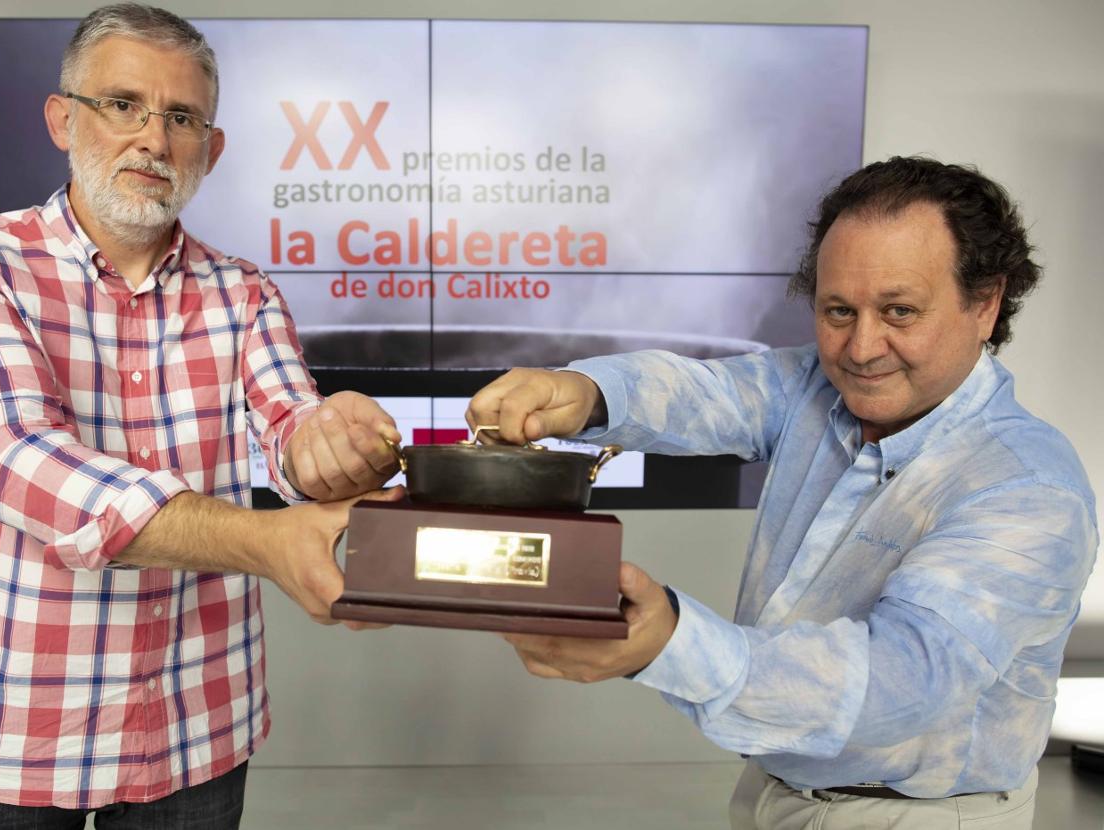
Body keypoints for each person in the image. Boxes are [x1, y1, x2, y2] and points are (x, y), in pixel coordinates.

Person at [469, 156, 1098, 829]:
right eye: (837, 310)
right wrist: (582, 392)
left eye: (899, 311)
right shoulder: (817, 389)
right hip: (776, 789)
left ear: (986, 303)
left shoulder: (1027, 489)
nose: (861, 347)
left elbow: (903, 683)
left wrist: (669, 644)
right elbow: (705, 393)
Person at [0, 4, 400, 826]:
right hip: (12, 735)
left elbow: (289, 434)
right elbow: (18, 458)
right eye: (123, 104)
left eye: (180, 117)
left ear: (211, 147)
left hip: (197, 728)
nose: (153, 139)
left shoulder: (245, 290)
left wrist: (337, 445)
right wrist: (267, 541)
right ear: (63, 119)